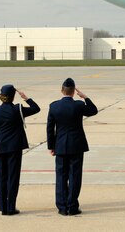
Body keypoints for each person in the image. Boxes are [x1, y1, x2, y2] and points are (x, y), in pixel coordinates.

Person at [47, 78, 98, 216]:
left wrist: (51, 146)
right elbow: (94, 110)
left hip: (60, 145)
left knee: (61, 176)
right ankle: (72, 205)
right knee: (75, 176)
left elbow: (50, 128)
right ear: (74, 92)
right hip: (76, 145)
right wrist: (85, 97)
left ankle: (62, 207)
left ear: (61, 90)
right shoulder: (79, 105)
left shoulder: (54, 106)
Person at [0, 84, 40, 215]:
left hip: (0, 148)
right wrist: (25, 98)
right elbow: (36, 109)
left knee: (2, 178)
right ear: (13, 96)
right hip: (14, 148)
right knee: (13, 177)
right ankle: (11, 207)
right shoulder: (18, 109)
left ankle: (3, 208)